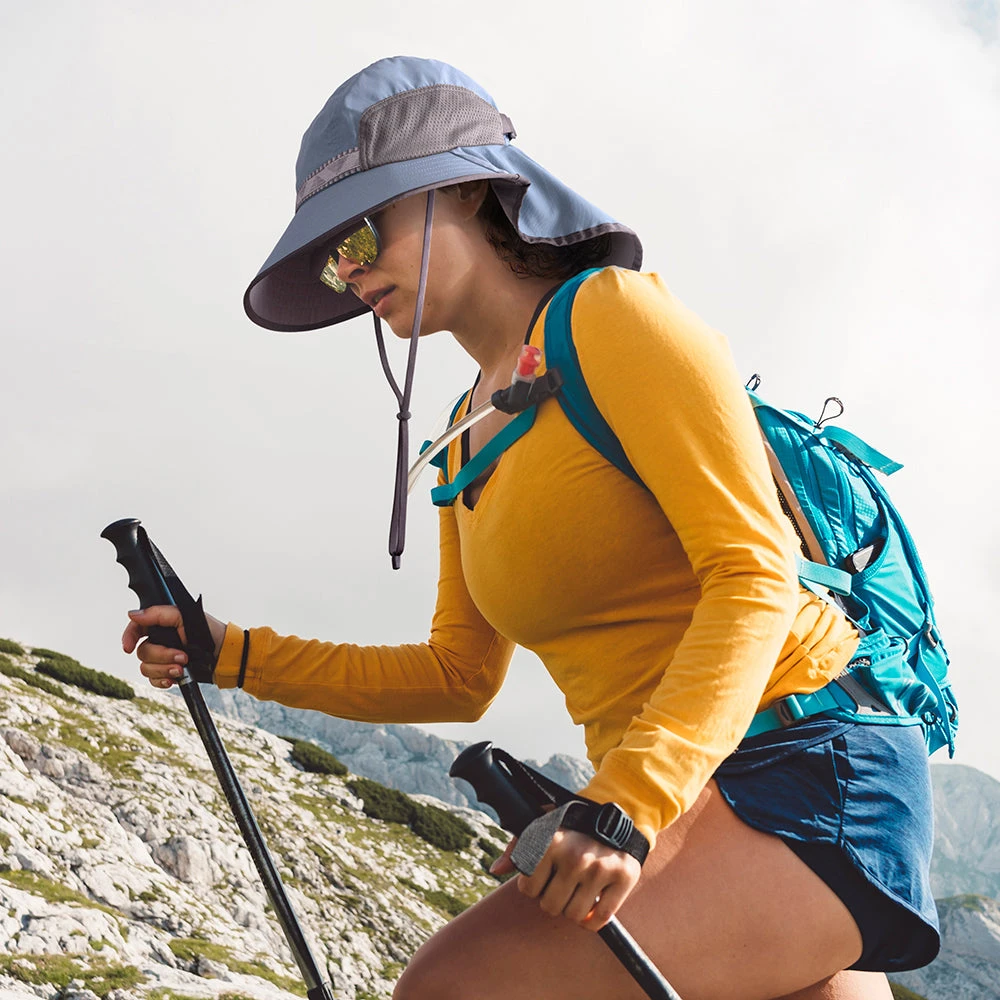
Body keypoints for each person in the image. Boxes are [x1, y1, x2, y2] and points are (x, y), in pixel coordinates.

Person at [122, 57, 939, 999]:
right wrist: (234, 654)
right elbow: (458, 675)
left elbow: (753, 573)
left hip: (804, 776)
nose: (347, 277)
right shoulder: (465, 438)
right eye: (327, 262)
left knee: (451, 988)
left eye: (355, 234)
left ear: (463, 189)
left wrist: (624, 810)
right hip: (695, 805)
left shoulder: (613, 319)